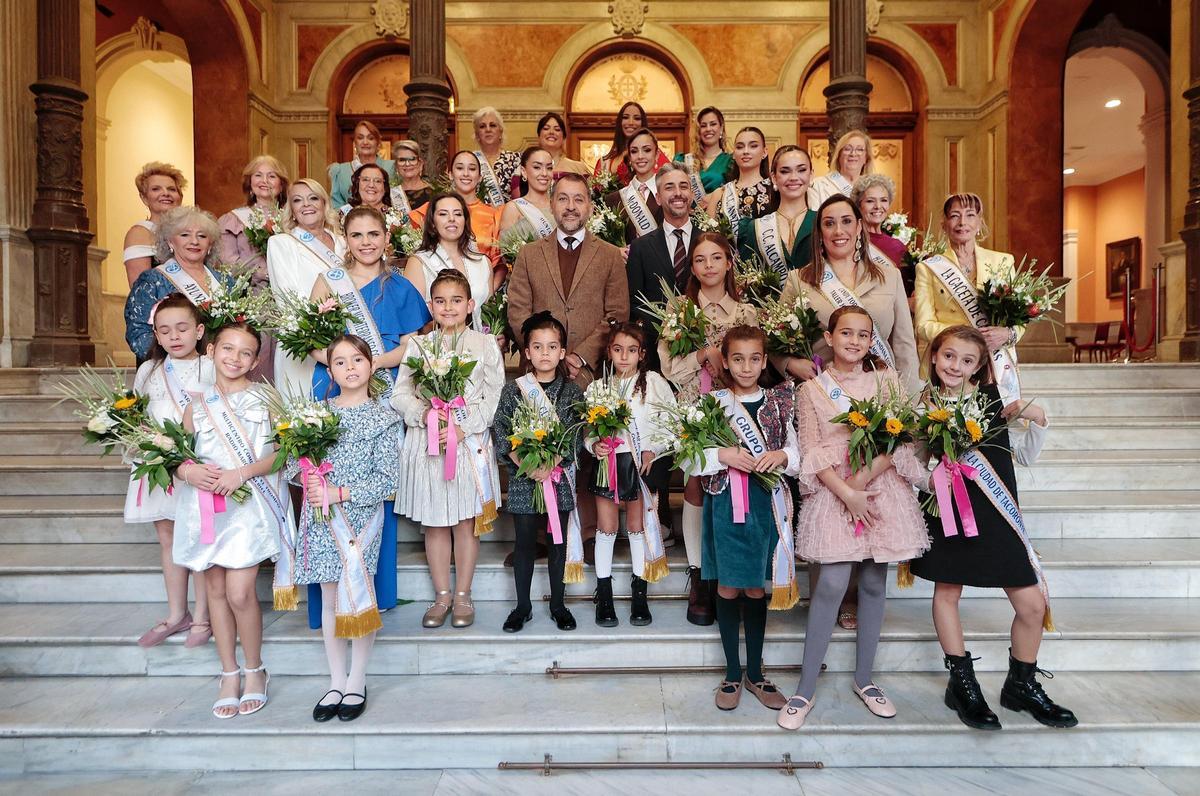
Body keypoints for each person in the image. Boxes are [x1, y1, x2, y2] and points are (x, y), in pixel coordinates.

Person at [911, 325, 1076, 731]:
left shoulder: (996, 400)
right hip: (951, 511)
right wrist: (931, 478)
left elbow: (1021, 455)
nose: (956, 366)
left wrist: (1038, 422)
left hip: (998, 515)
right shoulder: (921, 404)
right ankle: (962, 685)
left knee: (1032, 605)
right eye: (949, 356)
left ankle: (1020, 684)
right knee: (947, 591)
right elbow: (910, 462)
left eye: (967, 360)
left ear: (979, 365)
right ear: (934, 356)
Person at [778, 306, 929, 731]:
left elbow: (897, 438)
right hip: (835, 491)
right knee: (830, 582)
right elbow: (810, 448)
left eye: (864, 335)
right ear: (829, 336)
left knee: (874, 583)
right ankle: (805, 687)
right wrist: (846, 492)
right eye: (847, 333)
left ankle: (865, 679)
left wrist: (862, 484)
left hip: (880, 489)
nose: (855, 341)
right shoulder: (811, 390)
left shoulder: (886, 381)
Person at [304, 207, 431, 629]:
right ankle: (328, 595)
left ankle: (374, 592)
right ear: (345, 238)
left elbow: (414, 343)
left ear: (385, 236)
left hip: (386, 385)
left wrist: (372, 364)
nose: (366, 242)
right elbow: (311, 343)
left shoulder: (401, 285)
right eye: (356, 234)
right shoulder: (329, 281)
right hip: (335, 386)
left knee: (374, 487)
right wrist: (345, 365)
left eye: (373, 233)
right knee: (329, 483)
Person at [174, 322, 297, 719]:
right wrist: (187, 472)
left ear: (256, 358)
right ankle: (229, 672)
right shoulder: (197, 404)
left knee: (240, 592)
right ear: (211, 349)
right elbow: (176, 457)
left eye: (245, 353)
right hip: (208, 508)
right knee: (214, 592)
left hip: (248, 507)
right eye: (228, 349)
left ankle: (255, 669)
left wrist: (240, 474)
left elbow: (281, 455)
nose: (235, 358)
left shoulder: (265, 398)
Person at [684, 325, 798, 712]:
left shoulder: (780, 403)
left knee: (754, 587)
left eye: (754, 358)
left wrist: (781, 457)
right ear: (726, 363)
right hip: (724, 503)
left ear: (765, 361)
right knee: (730, 587)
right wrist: (722, 457)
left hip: (765, 506)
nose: (746, 366)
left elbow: (798, 456)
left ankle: (755, 672)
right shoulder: (710, 404)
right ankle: (733, 672)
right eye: (737, 359)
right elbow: (688, 458)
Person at [291, 335, 402, 724]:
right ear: (331, 371)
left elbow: (389, 480)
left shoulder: (385, 418)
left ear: (371, 365)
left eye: (357, 359)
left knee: (357, 590)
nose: (350, 367)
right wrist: (309, 474)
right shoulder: (314, 414)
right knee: (329, 593)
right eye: (340, 362)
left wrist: (343, 490)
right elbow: (293, 466)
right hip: (321, 519)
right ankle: (336, 680)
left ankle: (358, 678)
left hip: (360, 518)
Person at [392, 269, 505, 629]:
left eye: (457, 300)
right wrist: (424, 413)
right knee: (436, 522)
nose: (448, 307)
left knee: (464, 522)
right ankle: (441, 595)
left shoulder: (485, 345)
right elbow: (400, 394)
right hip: (428, 444)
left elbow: (494, 397)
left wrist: (463, 425)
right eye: (440, 301)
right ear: (430, 305)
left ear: (471, 304)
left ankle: (462, 595)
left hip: (468, 443)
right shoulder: (419, 346)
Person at [658, 233, 757, 625]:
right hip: (695, 406)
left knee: (732, 484)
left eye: (717, 258)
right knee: (697, 482)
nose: (710, 266)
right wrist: (703, 353)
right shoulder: (680, 310)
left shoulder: (746, 310)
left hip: (736, 408)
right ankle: (699, 574)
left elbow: (755, 363)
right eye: (701, 260)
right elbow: (670, 366)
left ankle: (727, 570)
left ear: (728, 263)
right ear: (693, 268)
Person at [123, 294, 215, 649]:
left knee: (200, 537)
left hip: (197, 467)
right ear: (157, 337)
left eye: (182, 328)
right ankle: (178, 613)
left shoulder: (210, 367)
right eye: (165, 331)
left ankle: (204, 615)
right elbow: (135, 419)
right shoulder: (148, 371)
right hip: (160, 467)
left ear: (199, 330)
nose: (175, 336)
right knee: (169, 539)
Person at [492, 311, 584, 633]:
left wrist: (551, 464)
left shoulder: (572, 393)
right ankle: (523, 606)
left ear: (562, 352)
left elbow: (576, 433)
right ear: (527, 352)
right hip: (523, 479)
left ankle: (559, 604)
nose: (545, 353)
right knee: (525, 544)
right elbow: (501, 431)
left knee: (557, 543)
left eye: (552, 347)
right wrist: (525, 463)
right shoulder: (513, 391)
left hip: (556, 479)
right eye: (538, 347)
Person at [776, 195, 919, 392]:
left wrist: (909, 403)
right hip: (825, 395)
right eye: (829, 223)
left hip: (881, 394)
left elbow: (905, 346)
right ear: (819, 232)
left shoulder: (890, 276)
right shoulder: (799, 280)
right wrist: (790, 364)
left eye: (846, 221)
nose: (838, 231)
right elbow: (774, 341)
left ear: (859, 227)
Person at [586, 322, 674, 628]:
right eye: (618, 349)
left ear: (642, 354)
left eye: (632, 351)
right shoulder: (598, 387)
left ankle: (640, 593)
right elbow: (587, 431)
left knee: (636, 527)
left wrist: (653, 449)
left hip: (639, 465)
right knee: (607, 528)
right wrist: (593, 444)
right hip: (608, 465)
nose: (624, 357)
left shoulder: (652, 382)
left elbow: (671, 423)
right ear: (609, 351)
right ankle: (605, 594)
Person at [508, 172, 631, 386]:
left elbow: (617, 313)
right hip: (537, 375)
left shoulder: (610, 255)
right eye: (563, 198)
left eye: (579, 199)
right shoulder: (529, 254)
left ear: (590, 207)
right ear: (551, 204)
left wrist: (579, 357)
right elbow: (518, 311)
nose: (571, 207)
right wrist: (545, 355)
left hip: (590, 375)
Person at [913, 192, 1021, 383]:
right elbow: (923, 326)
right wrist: (967, 337)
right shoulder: (928, 268)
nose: (962, 222)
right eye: (955, 215)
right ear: (944, 224)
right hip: (949, 366)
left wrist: (1008, 334)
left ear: (979, 223)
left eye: (970, 215)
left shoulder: (1003, 261)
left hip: (993, 365)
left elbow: (1020, 317)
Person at [266, 178, 347, 394]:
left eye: (313, 198)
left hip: (347, 338)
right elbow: (287, 297)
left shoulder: (343, 242)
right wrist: (321, 329)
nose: (306, 205)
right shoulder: (281, 243)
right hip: (305, 339)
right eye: (298, 200)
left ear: (324, 203)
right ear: (291, 209)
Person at [124, 206, 234, 364]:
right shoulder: (153, 280)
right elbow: (138, 332)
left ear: (210, 245)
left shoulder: (226, 281)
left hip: (222, 368)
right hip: (172, 369)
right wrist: (176, 361)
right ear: (170, 241)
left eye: (202, 236)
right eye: (185, 235)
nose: (194, 241)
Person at [627, 161, 700, 369]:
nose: (678, 193)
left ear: (692, 195)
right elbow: (634, 303)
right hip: (654, 357)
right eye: (669, 187)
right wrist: (669, 330)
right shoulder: (640, 248)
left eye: (683, 186)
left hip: (703, 354)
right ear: (658, 198)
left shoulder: (709, 243)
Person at [404, 193, 493, 329]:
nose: (452, 219)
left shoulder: (483, 262)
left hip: (481, 344)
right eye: (443, 214)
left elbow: (491, 314)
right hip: (437, 345)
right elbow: (412, 321)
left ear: (465, 220)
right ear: (433, 223)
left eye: (458, 214)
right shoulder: (419, 262)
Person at [409, 151, 504, 270]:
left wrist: (487, 287)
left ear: (480, 177)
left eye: (472, 169)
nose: (466, 174)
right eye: (460, 168)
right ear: (450, 174)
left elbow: (500, 264)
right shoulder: (430, 210)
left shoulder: (494, 215)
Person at [737, 146, 815, 277]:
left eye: (801, 170)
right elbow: (747, 281)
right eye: (785, 172)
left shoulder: (823, 222)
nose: (794, 177)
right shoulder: (754, 228)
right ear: (773, 178)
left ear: (811, 175)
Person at [218, 155, 289, 287]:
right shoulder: (233, 219)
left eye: (272, 176)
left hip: (288, 290)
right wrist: (260, 274)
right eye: (258, 175)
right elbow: (228, 262)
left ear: (281, 185)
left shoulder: (292, 219)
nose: (265, 181)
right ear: (249, 183)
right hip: (250, 292)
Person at [123, 161, 186, 287]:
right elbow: (141, 289)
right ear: (144, 198)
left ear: (180, 197)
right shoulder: (139, 233)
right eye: (156, 189)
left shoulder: (191, 232)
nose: (165, 193)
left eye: (172, 189)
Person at [603, 128, 666, 247]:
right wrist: (617, 252)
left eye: (647, 150)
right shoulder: (613, 199)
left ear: (657, 155)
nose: (640, 156)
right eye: (634, 151)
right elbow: (605, 243)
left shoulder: (669, 194)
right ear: (630, 157)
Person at [852, 173, 912, 296]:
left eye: (883, 200)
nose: (878, 206)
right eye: (870, 201)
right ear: (858, 205)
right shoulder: (850, 241)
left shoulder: (897, 246)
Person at [704, 127, 772, 227]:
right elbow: (708, 237)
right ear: (734, 154)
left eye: (753, 146)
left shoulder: (775, 191)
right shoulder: (720, 194)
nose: (746, 151)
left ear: (764, 152)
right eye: (740, 147)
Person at [593, 101, 669, 184]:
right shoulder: (605, 162)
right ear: (619, 122)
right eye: (625, 117)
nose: (631, 123)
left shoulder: (654, 155)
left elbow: (668, 182)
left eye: (637, 118)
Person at [328, 120, 397, 207]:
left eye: (370, 138)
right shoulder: (340, 171)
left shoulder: (391, 167)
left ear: (378, 143)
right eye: (360, 138)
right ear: (355, 142)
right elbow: (336, 206)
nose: (365, 142)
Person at [807, 129, 873, 210]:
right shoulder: (819, 185)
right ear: (839, 155)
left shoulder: (872, 188)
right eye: (847, 149)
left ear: (866, 157)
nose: (853, 154)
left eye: (860, 149)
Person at [498, 147, 556, 239]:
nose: (544, 173)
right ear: (524, 172)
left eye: (549, 168)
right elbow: (506, 249)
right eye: (537, 167)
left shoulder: (560, 205)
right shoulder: (514, 208)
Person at [674, 106, 732, 197]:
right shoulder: (683, 160)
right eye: (703, 125)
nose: (708, 129)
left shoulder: (730, 161)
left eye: (713, 124)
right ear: (698, 131)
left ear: (721, 128)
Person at [472, 106, 522, 206]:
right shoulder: (470, 160)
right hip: (477, 218)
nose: (488, 129)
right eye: (482, 126)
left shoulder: (516, 159)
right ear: (477, 135)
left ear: (500, 132)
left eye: (493, 125)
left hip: (508, 218)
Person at [535, 112, 589, 178]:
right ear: (539, 136)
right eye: (546, 128)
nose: (551, 132)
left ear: (563, 138)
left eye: (557, 129)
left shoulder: (578, 168)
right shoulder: (527, 167)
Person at [392, 139, 432, 212]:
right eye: (402, 160)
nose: (407, 164)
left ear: (420, 163)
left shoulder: (433, 194)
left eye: (412, 159)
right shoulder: (391, 195)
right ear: (396, 166)